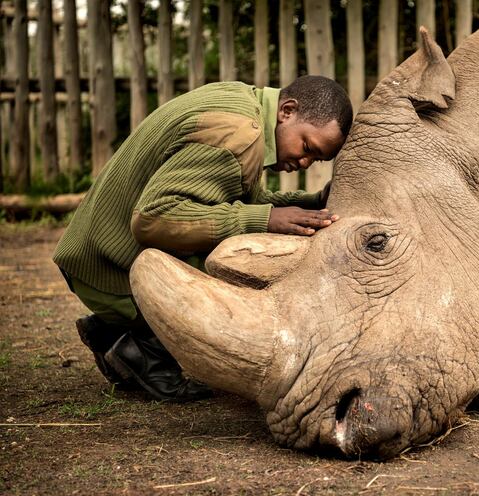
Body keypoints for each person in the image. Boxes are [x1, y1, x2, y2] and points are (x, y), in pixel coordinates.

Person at [53, 76, 353, 402]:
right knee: (237, 266)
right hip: (107, 270)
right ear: (287, 111)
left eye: (317, 159)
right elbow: (153, 219)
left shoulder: (243, 105)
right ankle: (137, 343)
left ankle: (113, 330)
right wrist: (264, 220)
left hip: (93, 253)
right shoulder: (238, 135)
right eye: (307, 147)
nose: (305, 162)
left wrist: (310, 204)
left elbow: (233, 200)